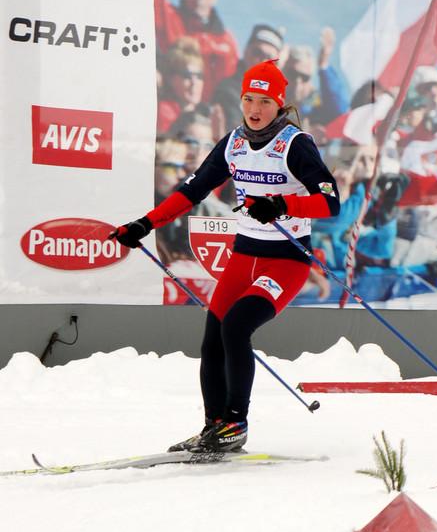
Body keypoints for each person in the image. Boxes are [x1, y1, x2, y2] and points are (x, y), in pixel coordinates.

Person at [110, 60, 340, 452]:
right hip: (243, 256)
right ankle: (213, 426)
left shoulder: (294, 143)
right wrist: (144, 225)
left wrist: (283, 204)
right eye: (249, 98)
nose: (254, 108)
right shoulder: (233, 142)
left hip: (285, 260)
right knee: (212, 340)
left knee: (236, 327)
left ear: (278, 103)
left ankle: (236, 424)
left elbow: (330, 202)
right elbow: (193, 190)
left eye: (265, 101)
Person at [154, 0, 239, 101]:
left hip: (207, 119)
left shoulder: (226, 41)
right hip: (169, 108)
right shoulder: (169, 17)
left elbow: (233, 85)